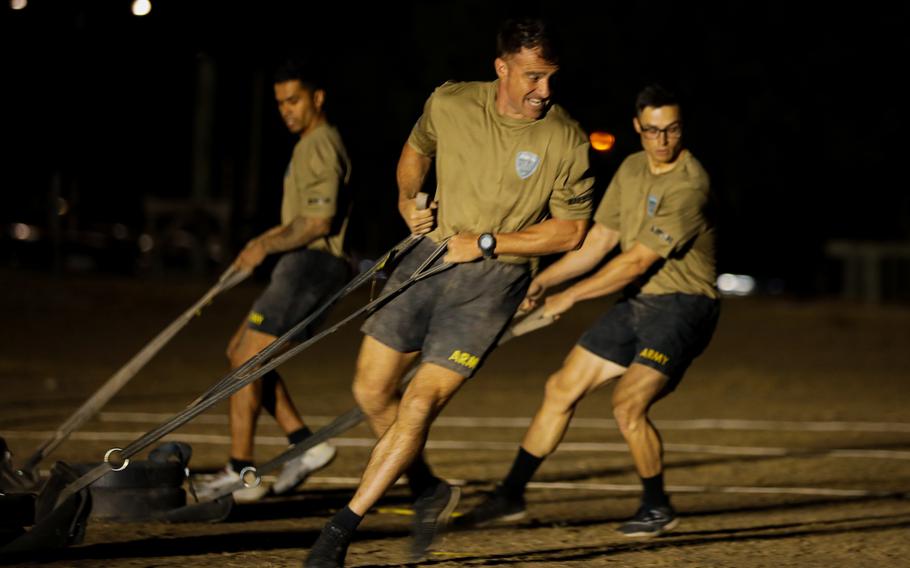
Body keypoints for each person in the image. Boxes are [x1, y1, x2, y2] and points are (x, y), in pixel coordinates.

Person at [304, 18, 594, 567]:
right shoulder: (452, 102)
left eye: (552, 78)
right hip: (427, 256)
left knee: (420, 402)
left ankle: (338, 532)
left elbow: (570, 232)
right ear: (502, 68)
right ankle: (429, 490)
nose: (545, 92)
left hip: (495, 278)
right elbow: (417, 150)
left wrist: (486, 242)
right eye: (533, 77)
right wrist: (408, 200)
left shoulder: (566, 140)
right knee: (371, 391)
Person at [456, 84, 720, 537]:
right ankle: (511, 494)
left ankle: (657, 506)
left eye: (672, 130)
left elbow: (636, 260)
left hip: (683, 307)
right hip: (638, 302)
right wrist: (543, 281)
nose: (662, 140)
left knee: (627, 405)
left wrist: (570, 296)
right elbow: (599, 242)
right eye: (653, 130)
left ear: (682, 129)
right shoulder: (633, 168)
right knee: (561, 387)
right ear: (638, 127)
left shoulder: (689, 183)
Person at [195, 61, 352, 502]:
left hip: (311, 265)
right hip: (297, 264)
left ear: (317, 98)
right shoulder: (306, 145)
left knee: (247, 360)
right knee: (239, 352)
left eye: (294, 100)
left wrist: (266, 246)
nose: (286, 110)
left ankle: (241, 470)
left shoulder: (321, 143)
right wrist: (262, 241)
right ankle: (307, 444)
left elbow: (319, 221)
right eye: (280, 103)